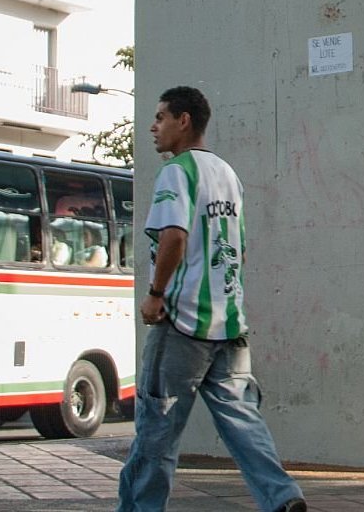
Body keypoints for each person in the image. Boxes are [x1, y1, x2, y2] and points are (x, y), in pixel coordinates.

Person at [117, 86, 306, 512]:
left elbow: (173, 237)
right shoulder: (227, 173)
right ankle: (282, 497)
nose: (153, 126)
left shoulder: (176, 172)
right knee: (243, 421)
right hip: (230, 322)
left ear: (184, 121)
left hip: (182, 323)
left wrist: (154, 294)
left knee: (157, 433)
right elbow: (237, 246)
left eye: (161, 117)